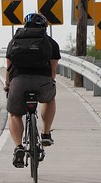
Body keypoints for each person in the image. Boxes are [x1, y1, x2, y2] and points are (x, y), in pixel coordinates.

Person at [4, 13, 61, 168]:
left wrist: (7, 84)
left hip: (18, 82)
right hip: (42, 81)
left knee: (15, 114)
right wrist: (50, 82)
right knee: (49, 99)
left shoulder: (14, 40)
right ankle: (46, 134)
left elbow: (9, 66)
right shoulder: (51, 43)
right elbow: (53, 70)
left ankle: (18, 147)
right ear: (44, 27)